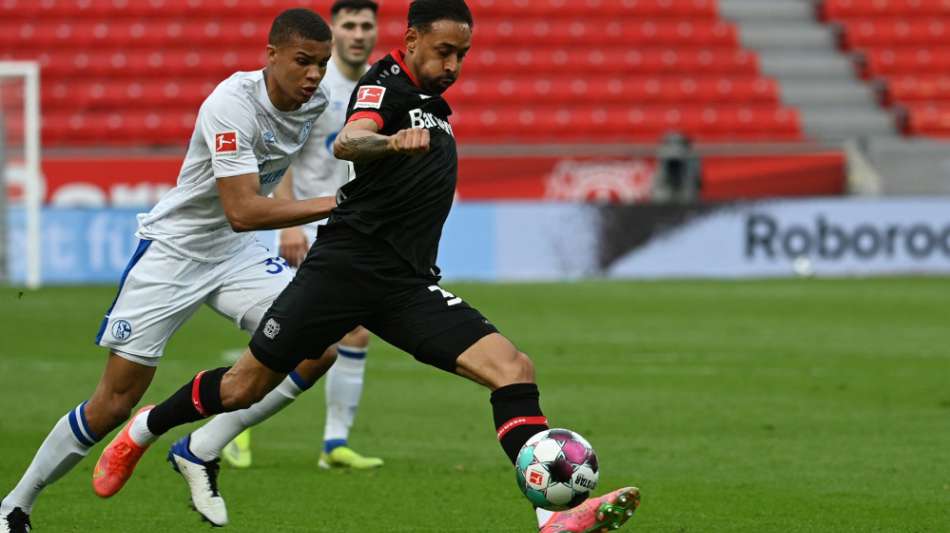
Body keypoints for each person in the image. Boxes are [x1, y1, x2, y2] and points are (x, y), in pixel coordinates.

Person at [93, 2, 641, 532]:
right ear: (412, 40)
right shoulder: (385, 83)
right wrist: (389, 142)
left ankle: (553, 517)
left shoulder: (431, 102)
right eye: (444, 51)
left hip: (404, 284)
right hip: (344, 271)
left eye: (462, 54)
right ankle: (146, 428)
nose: (452, 64)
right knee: (242, 388)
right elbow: (351, 139)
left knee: (514, 368)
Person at [0, 9, 340, 533]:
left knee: (318, 345)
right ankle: (14, 506)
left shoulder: (313, 102)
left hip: (236, 252)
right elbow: (242, 209)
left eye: (321, 63)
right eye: (303, 61)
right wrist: (337, 203)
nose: (314, 75)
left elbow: (276, 167)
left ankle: (199, 448)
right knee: (112, 404)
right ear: (271, 55)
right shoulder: (231, 104)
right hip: (175, 252)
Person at [221, 0, 385, 472]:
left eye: (366, 25)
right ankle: (234, 423)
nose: (359, 33)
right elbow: (283, 154)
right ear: (334, 31)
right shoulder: (313, 86)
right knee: (290, 329)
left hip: (349, 225)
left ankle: (334, 443)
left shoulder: (379, 86)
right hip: (305, 220)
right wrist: (289, 224)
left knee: (355, 329)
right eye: (349, 25)